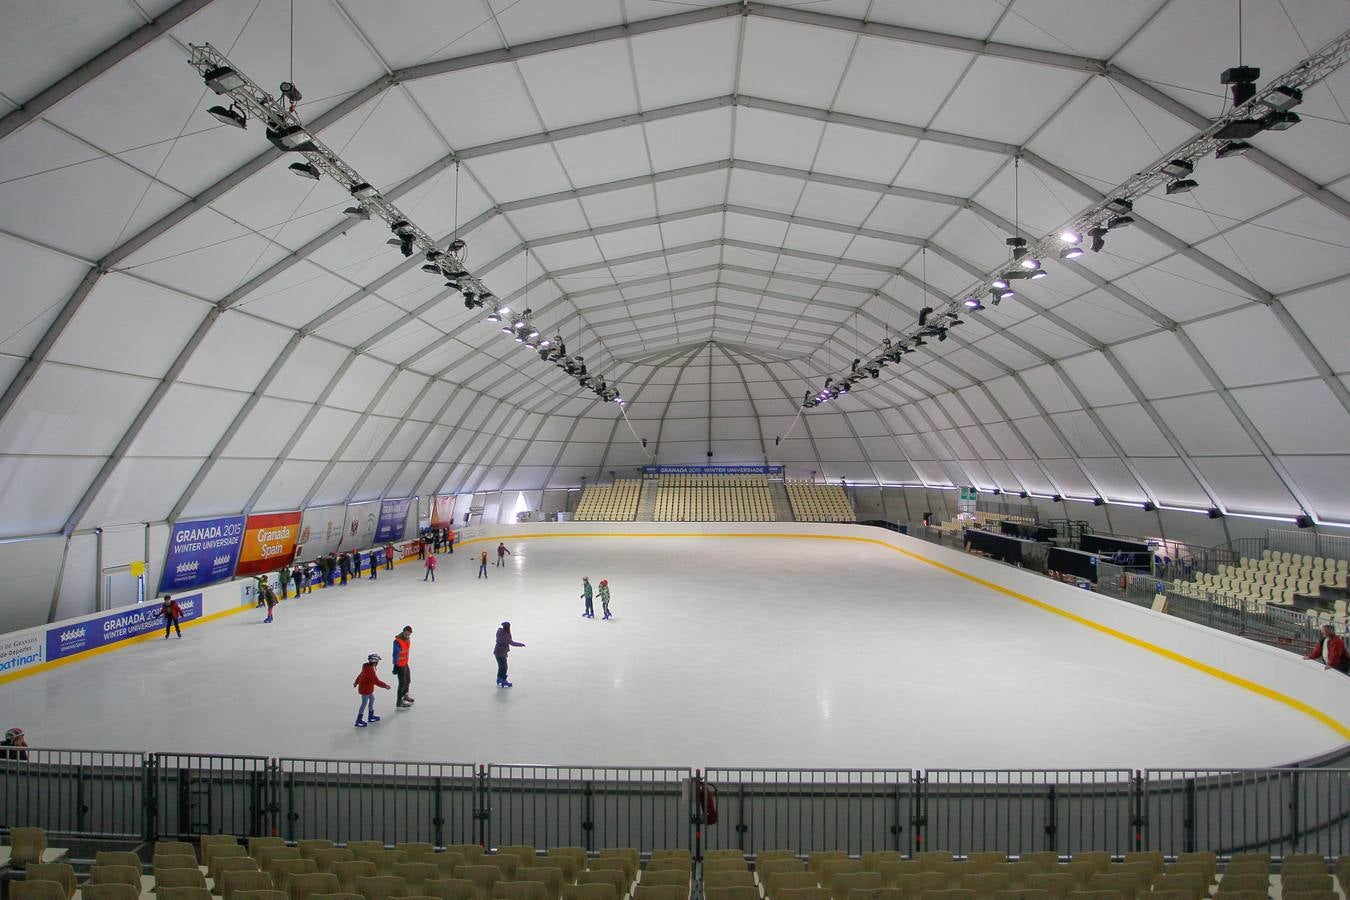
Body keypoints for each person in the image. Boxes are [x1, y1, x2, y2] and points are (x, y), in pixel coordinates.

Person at [353, 653, 391, 727]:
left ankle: (370, 715)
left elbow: (360, 675)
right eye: (377, 662)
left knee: (372, 699)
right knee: (364, 704)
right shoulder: (370, 671)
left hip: (368, 689)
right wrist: (385, 686)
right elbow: (376, 681)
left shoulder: (366, 667)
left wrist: (356, 682)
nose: (378, 664)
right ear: (375, 662)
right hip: (365, 690)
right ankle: (358, 720)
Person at [494, 621, 525, 688]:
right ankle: (502, 680)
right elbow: (512, 643)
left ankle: (499, 678)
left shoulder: (500, 632)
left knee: (502, 666)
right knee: (504, 667)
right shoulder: (505, 636)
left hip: (498, 652)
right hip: (501, 653)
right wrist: (520, 644)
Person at [392, 625, 415, 708]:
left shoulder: (407, 640)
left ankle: (405, 695)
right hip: (399, 665)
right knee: (402, 683)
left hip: (405, 663)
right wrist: (395, 666)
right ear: (403, 631)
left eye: (409, 634)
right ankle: (399, 702)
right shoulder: (397, 641)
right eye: (406, 633)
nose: (407, 635)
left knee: (408, 680)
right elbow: (395, 654)